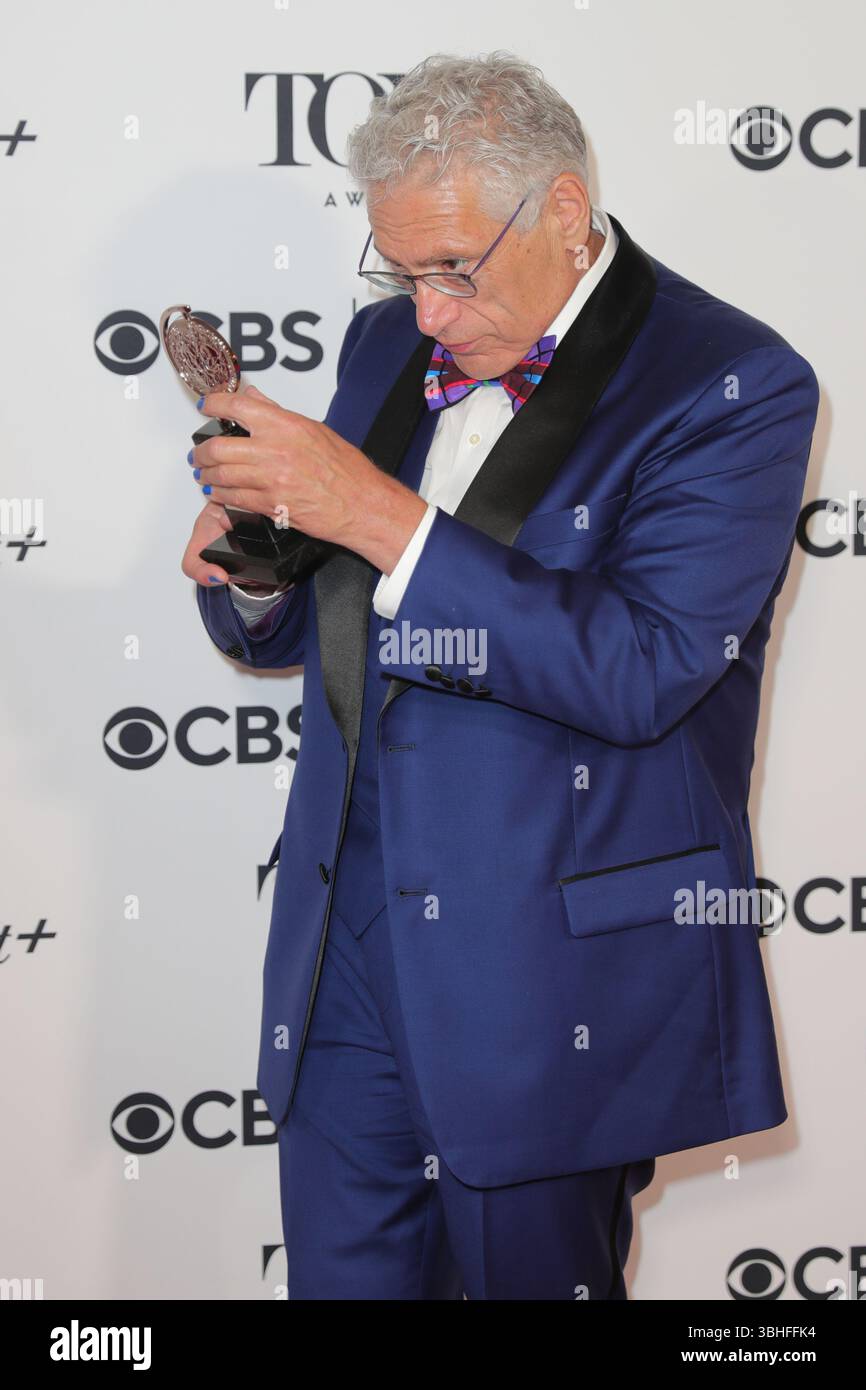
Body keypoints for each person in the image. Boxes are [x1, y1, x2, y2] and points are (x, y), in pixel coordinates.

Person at [183, 51, 819, 1300]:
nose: (420, 312)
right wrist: (253, 570)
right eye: (397, 268)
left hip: (544, 971)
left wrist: (378, 515)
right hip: (345, 951)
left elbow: (641, 668)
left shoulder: (731, 383)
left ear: (566, 214)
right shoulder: (380, 344)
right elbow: (319, 617)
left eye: (450, 270)